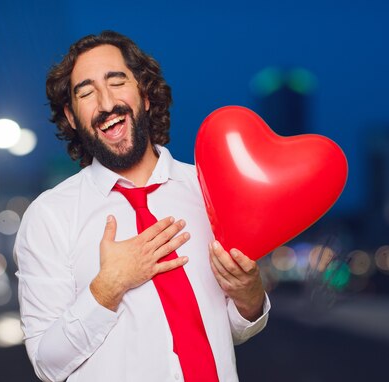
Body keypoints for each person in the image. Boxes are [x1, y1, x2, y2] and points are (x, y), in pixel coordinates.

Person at [14, 30, 270, 382]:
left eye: (117, 82)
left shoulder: (209, 189)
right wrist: (108, 286)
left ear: (146, 95)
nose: (105, 104)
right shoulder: (49, 217)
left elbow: (226, 329)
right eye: (86, 93)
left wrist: (251, 297)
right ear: (72, 117)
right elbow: (47, 364)